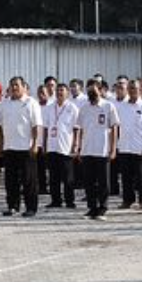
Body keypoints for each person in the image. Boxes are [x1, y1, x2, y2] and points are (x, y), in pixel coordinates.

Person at [0, 76, 42, 217]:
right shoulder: (4, 104)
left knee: (29, 181)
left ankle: (31, 208)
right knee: (10, 181)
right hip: (9, 148)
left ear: (23, 86)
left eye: (17, 85)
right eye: (12, 85)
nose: (14, 88)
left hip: (26, 148)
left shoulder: (31, 102)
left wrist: (35, 144)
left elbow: (37, 125)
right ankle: (12, 206)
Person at [74, 78, 118, 219]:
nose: (91, 92)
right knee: (89, 182)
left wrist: (113, 149)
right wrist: (79, 148)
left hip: (103, 150)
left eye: (93, 89)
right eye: (89, 90)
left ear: (100, 89)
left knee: (104, 182)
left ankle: (103, 208)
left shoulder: (108, 106)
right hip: (87, 150)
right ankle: (92, 208)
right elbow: (79, 129)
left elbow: (114, 127)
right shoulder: (84, 108)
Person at [115, 79, 142, 211]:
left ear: (140, 90)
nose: (133, 91)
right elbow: (117, 127)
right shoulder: (121, 107)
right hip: (124, 146)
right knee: (126, 176)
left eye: (135, 88)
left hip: (139, 147)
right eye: (130, 88)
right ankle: (127, 200)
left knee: (141, 176)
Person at [42, 81, 78, 209]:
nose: (59, 93)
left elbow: (76, 128)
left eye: (62, 90)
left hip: (66, 146)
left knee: (68, 177)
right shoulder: (49, 107)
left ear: (67, 93)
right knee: (53, 177)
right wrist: (44, 144)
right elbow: (46, 128)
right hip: (52, 145)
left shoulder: (72, 108)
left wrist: (76, 145)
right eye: (58, 90)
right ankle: (56, 200)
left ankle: (70, 200)